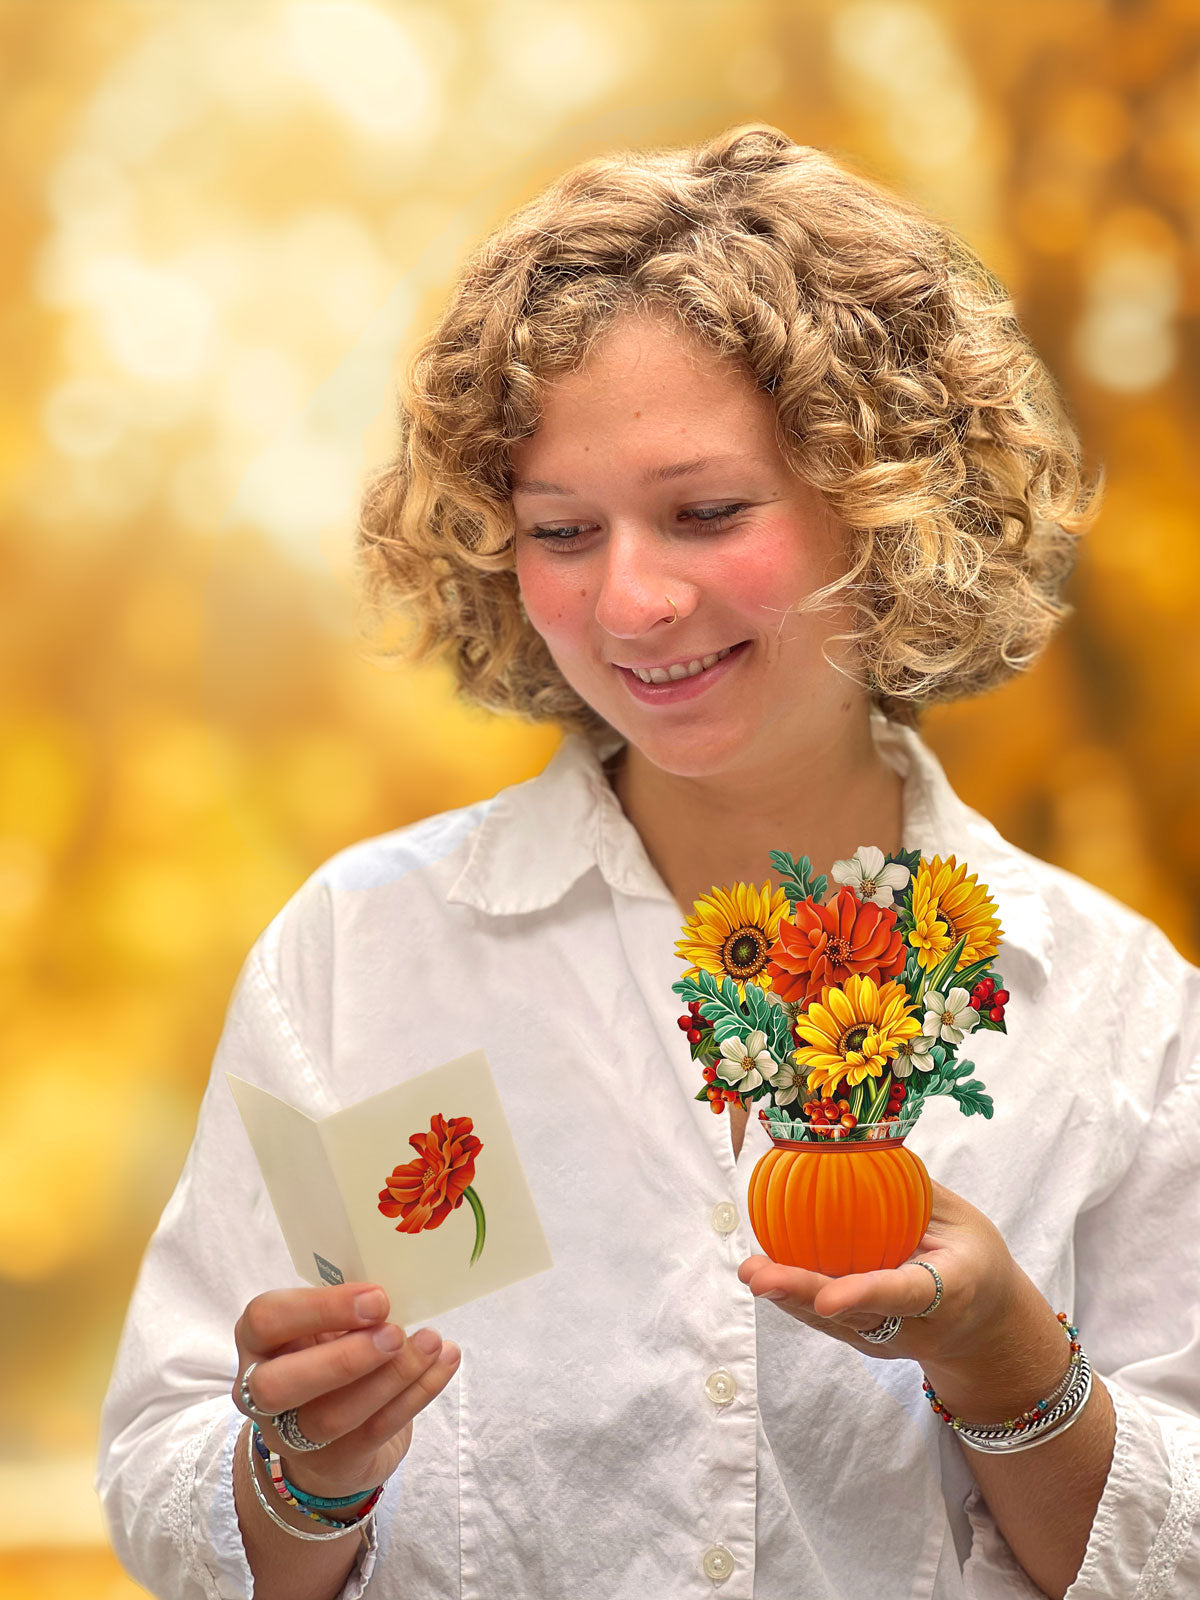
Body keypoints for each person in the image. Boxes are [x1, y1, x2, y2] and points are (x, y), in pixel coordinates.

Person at [97, 124, 1200, 1600]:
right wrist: (301, 1473)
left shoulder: (1111, 1008)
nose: (631, 599)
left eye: (706, 513)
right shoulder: (361, 958)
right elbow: (170, 1485)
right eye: (561, 530)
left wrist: (1012, 1369)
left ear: (886, 502)